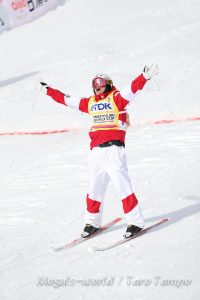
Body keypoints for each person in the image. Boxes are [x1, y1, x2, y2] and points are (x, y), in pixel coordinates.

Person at [40, 63, 159, 238]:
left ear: (108, 84)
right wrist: (49, 90)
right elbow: (66, 99)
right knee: (94, 189)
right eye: (95, 85)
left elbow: (132, 89)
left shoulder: (117, 99)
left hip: (114, 151)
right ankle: (92, 222)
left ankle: (135, 222)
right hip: (96, 153)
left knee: (122, 187)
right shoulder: (90, 103)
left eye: (101, 84)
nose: (97, 87)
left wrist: (144, 76)